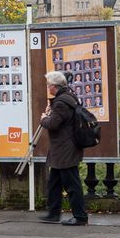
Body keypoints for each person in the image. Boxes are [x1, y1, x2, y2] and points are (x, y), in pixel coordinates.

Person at [39, 71, 88, 226]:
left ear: (54, 86)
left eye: (49, 84)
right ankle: (53, 213)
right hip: (64, 148)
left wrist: (44, 119)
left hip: (65, 149)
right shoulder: (69, 97)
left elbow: (53, 124)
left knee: (72, 184)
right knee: (54, 182)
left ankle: (80, 217)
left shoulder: (61, 103)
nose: (48, 87)